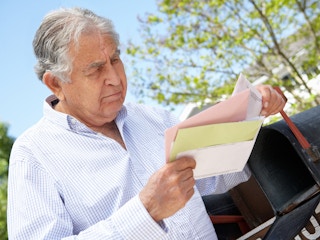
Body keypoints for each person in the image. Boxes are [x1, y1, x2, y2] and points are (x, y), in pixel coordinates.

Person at [7, 7, 286, 239]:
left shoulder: (153, 118)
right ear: (56, 83)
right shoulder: (32, 155)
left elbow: (219, 175)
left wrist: (250, 111)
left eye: (115, 59)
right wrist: (146, 211)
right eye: (95, 70)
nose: (115, 78)